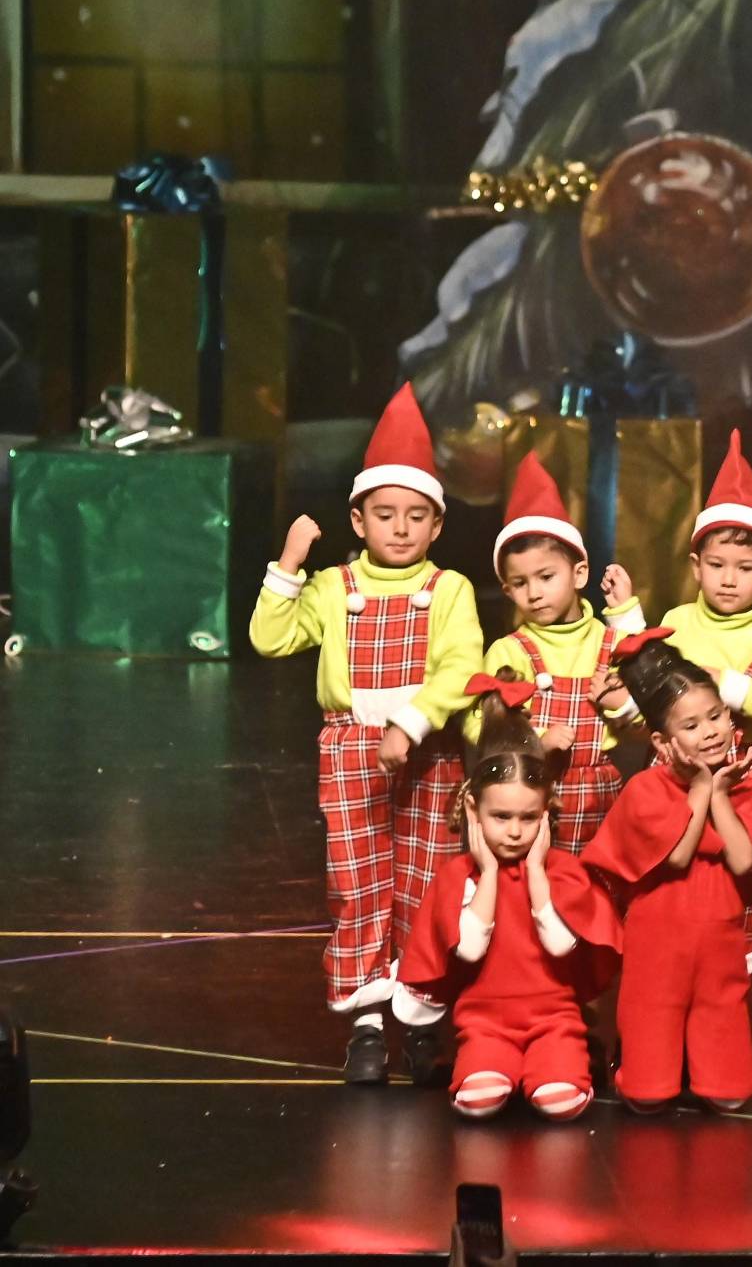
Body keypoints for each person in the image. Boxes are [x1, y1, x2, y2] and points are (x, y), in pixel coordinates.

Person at [249, 384, 482, 1082]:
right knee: (359, 884)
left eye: (417, 516)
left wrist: (412, 723)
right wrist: (289, 567)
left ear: (437, 525)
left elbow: (460, 664)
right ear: (359, 516)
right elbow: (269, 637)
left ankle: (422, 1017)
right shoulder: (333, 586)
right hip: (352, 750)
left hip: (430, 753)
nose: (401, 529)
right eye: (386, 514)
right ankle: (368, 1023)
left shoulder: (449, 590)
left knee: (426, 882)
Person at [392, 674, 622, 1120]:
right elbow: (470, 947)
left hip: (555, 1018)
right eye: (500, 817)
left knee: (559, 1099)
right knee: (478, 1100)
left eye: (527, 817)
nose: (515, 831)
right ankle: (499, 1062)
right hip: (485, 1021)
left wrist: (536, 871)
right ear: (474, 810)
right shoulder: (459, 875)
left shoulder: (563, 872)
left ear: (546, 813)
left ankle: (554, 1063)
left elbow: (561, 944)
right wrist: (491, 872)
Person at [581, 633, 752, 1111]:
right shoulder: (645, 788)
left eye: (716, 716)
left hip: (719, 936)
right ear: (662, 740)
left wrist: (718, 794)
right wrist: (700, 789)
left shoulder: (745, 788)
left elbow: (744, 861)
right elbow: (676, 855)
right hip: (657, 940)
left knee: (721, 1019)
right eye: (692, 725)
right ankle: (646, 1075)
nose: (712, 731)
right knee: (652, 1030)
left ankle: (717, 1076)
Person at [653, 430, 752, 975]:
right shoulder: (675, 623)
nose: (729, 579)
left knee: (736, 876)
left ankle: (730, 964)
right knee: (673, 867)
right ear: (697, 565)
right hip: (673, 770)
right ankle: (667, 963)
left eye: (744, 568)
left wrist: (729, 685)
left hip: (740, 774)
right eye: (717, 565)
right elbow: (648, 697)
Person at [475, 451, 646, 853]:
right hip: (532, 796)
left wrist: (622, 706)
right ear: (507, 590)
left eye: (546, 576)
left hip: (602, 792)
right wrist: (534, 742)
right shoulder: (510, 651)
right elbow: (479, 728)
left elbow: (648, 722)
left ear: (579, 573)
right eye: (520, 583)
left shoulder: (607, 643)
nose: (534, 593)